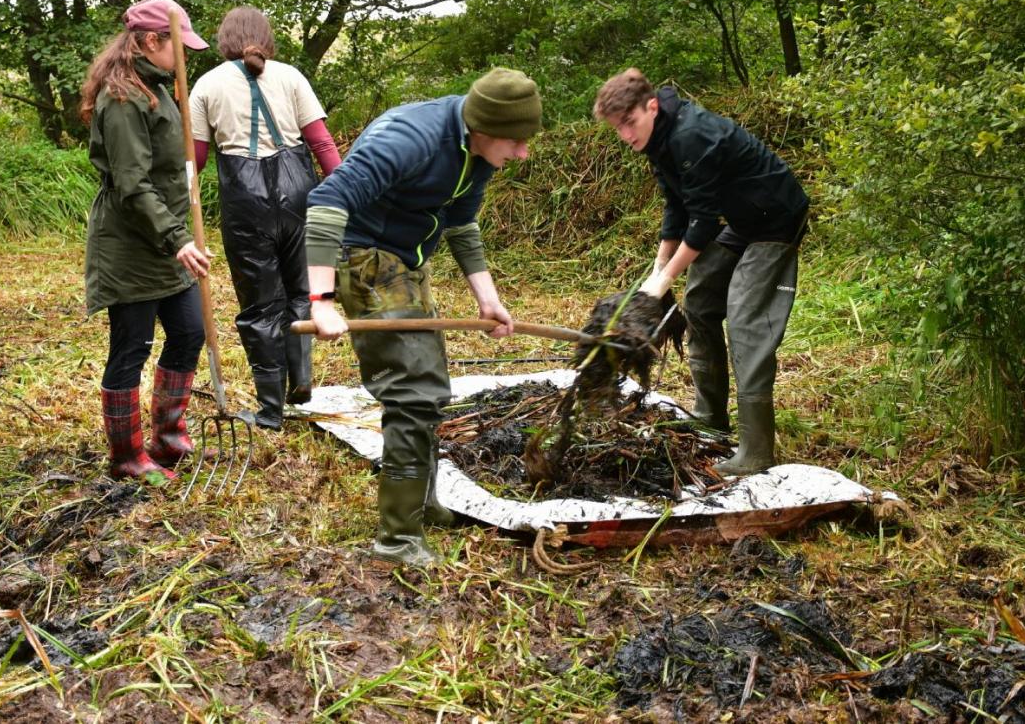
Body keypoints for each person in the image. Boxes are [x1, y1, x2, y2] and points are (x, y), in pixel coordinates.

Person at [305, 68, 542, 566]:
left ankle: (423, 501)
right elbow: (327, 201)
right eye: (517, 142)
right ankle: (397, 539)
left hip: (406, 261)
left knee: (429, 383)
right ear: (484, 127)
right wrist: (321, 301)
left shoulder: (476, 154)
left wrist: (488, 298)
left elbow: (461, 221)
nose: (523, 154)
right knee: (413, 391)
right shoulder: (408, 139)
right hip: (363, 255)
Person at [594, 68, 809, 476]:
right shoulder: (657, 140)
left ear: (651, 107)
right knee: (699, 303)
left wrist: (665, 279)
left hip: (777, 218)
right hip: (746, 220)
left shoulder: (690, 135)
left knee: (746, 321)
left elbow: (704, 222)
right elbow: (677, 207)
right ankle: (711, 414)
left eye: (629, 123)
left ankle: (757, 451)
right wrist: (657, 270)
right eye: (617, 128)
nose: (625, 135)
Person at [189, 6, 341, 429]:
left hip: (245, 201)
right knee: (301, 291)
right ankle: (301, 380)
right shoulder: (291, 76)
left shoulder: (205, 86)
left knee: (260, 305)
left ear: (224, 41)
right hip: (299, 194)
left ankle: (271, 410)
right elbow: (321, 143)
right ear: (266, 38)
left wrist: (176, 197)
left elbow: (195, 160)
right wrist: (347, 191)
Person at [82, 0, 211, 481]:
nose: (185, 57)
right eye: (179, 46)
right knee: (131, 347)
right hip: (133, 245)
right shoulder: (123, 99)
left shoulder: (159, 88)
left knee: (189, 332)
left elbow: (170, 168)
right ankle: (127, 457)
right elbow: (132, 185)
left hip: (168, 241)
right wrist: (178, 237)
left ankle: (168, 436)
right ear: (152, 40)